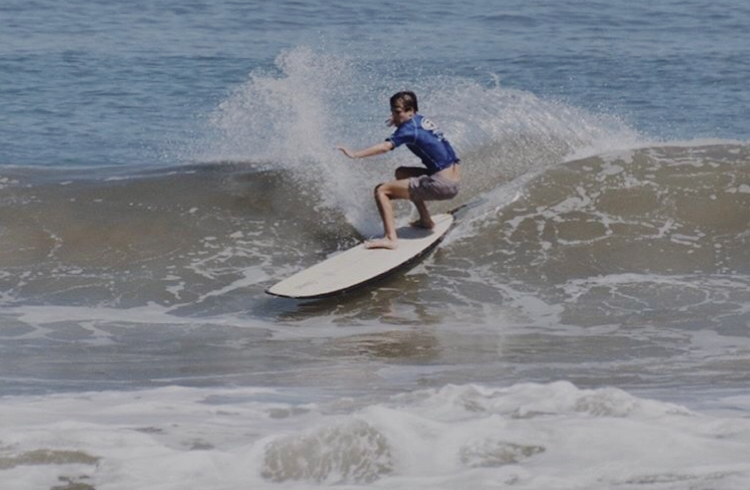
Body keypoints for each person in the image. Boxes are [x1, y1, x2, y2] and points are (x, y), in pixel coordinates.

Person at [336, 91, 460, 249]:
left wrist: (354, 154)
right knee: (402, 173)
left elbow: (385, 147)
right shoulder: (421, 121)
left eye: (398, 111)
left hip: (442, 185)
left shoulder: (409, 129)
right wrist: (399, 119)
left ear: (411, 111)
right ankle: (425, 220)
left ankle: (390, 239)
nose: (394, 115)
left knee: (382, 190)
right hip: (453, 179)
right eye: (393, 111)